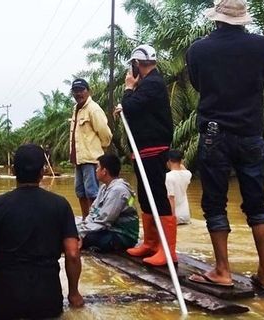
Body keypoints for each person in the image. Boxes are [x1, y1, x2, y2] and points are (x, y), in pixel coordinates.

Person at [186, 0, 264, 290]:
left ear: (217, 18)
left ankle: (222, 271)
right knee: (257, 203)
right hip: (251, 133)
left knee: (215, 203)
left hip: (215, 134)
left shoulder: (198, 49)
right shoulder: (261, 46)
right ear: (242, 19)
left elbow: (199, 85)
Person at [0, 144, 84, 319]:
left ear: (14, 170)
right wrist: (74, 293)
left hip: (5, 300)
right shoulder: (60, 205)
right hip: (48, 298)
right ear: (42, 172)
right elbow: (73, 253)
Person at [115, 44, 176, 267]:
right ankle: (151, 243)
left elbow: (131, 106)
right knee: (144, 195)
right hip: (142, 148)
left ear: (137, 64)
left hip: (153, 147)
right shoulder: (148, 84)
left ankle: (167, 251)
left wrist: (129, 88)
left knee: (157, 195)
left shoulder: (152, 83)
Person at [69, 78, 113, 220]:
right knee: (80, 192)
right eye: (75, 91)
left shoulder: (93, 109)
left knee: (92, 192)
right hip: (79, 160)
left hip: (91, 159)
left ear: (88, 91)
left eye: (81, 90)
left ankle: (94, 221)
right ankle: (85, 219)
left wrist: (100, 148)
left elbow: (105, 133)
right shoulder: (76, 109)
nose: (78, 94)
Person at [77, 154, 139, 252]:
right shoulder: (104, 187)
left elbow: (104, 219)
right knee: (74, 232)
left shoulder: (118, 190)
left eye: (97, 167)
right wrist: (80, 229)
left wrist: (81, 233)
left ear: (104, 171)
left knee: (86, 238)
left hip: (123, 235)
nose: (96, 170)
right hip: (110, 229)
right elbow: (93, 211)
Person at [166, 150, 192, 225]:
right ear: (181, 161)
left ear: (169, 161)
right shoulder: (188, 174)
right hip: (186, 216)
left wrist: (172, 218)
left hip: (175, 216)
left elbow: (171, 198)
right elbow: (182, 168)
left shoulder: (168, 177)